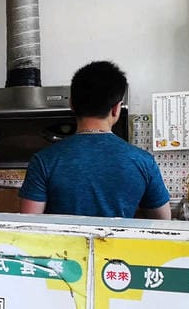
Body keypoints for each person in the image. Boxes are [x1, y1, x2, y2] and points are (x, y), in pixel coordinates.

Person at [19, 61, 170, 219]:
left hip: (62, 244)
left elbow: (28, 224)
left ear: (72, 104)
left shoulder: (44, 161)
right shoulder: (143, 162)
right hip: (119, 244)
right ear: (116, 108)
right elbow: (163, 221)